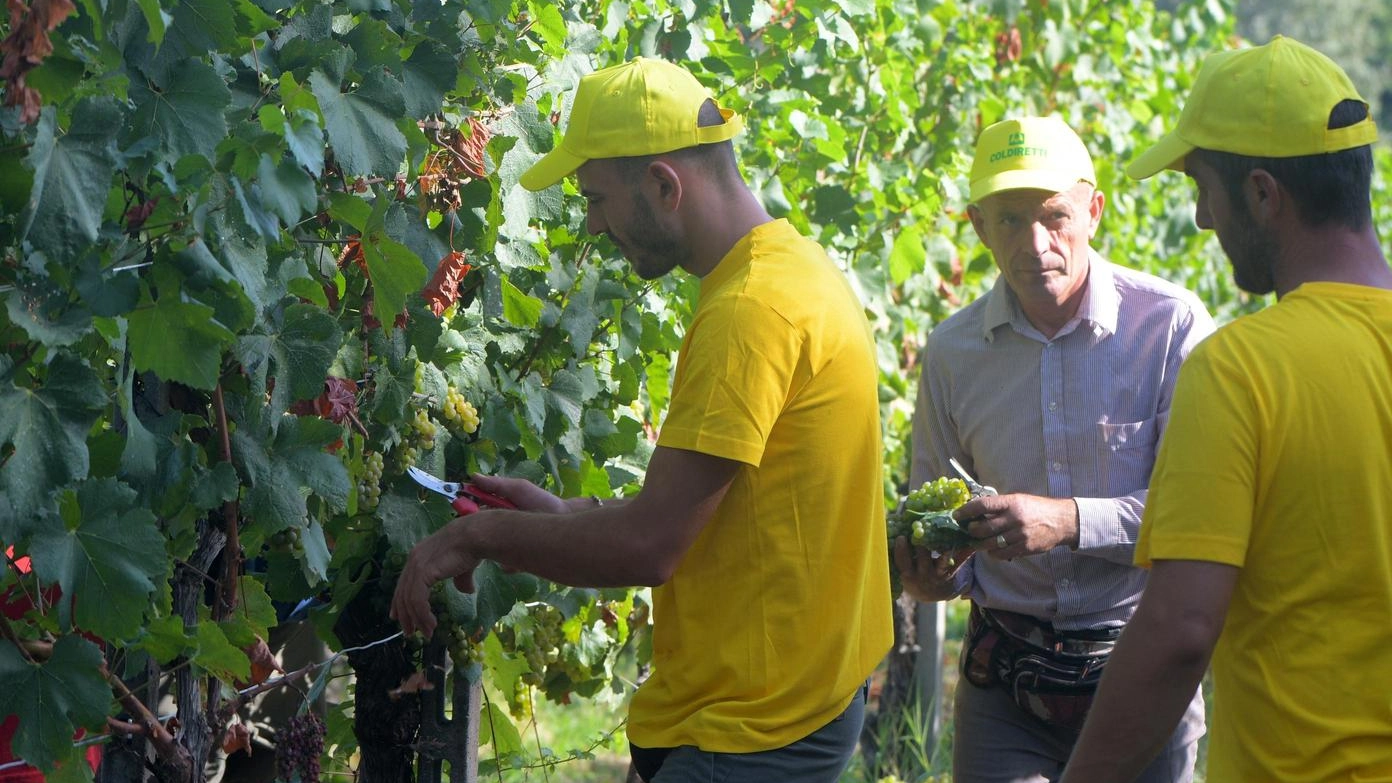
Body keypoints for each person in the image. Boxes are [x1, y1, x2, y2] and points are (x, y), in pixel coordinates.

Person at [390, 57, 893, 782]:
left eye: (596, 198)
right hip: (776, 702)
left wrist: (479, 533)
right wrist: (569, 515)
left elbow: (650, 546)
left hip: (754, 726)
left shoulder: (751, 313)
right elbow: (711, 511)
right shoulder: (792, 270)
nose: (592, 224)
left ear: (664, 184)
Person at [1061, 35, 1392, 783]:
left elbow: (1181, 627)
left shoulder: (1241, 370)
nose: (1203, 219)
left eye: (1203, 188)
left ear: (1264, 195)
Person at [892, 115, 1216, 783]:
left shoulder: (1169, 328)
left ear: (1092, 211)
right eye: (1008, 221)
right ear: (978, 227)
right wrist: (933, 572)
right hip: (1005, 683)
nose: (1036, 243)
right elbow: (941, 541)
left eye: (1054, 217)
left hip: (1142, 669)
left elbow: (1199, 518)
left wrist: (1067, 520)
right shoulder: (953, 354)